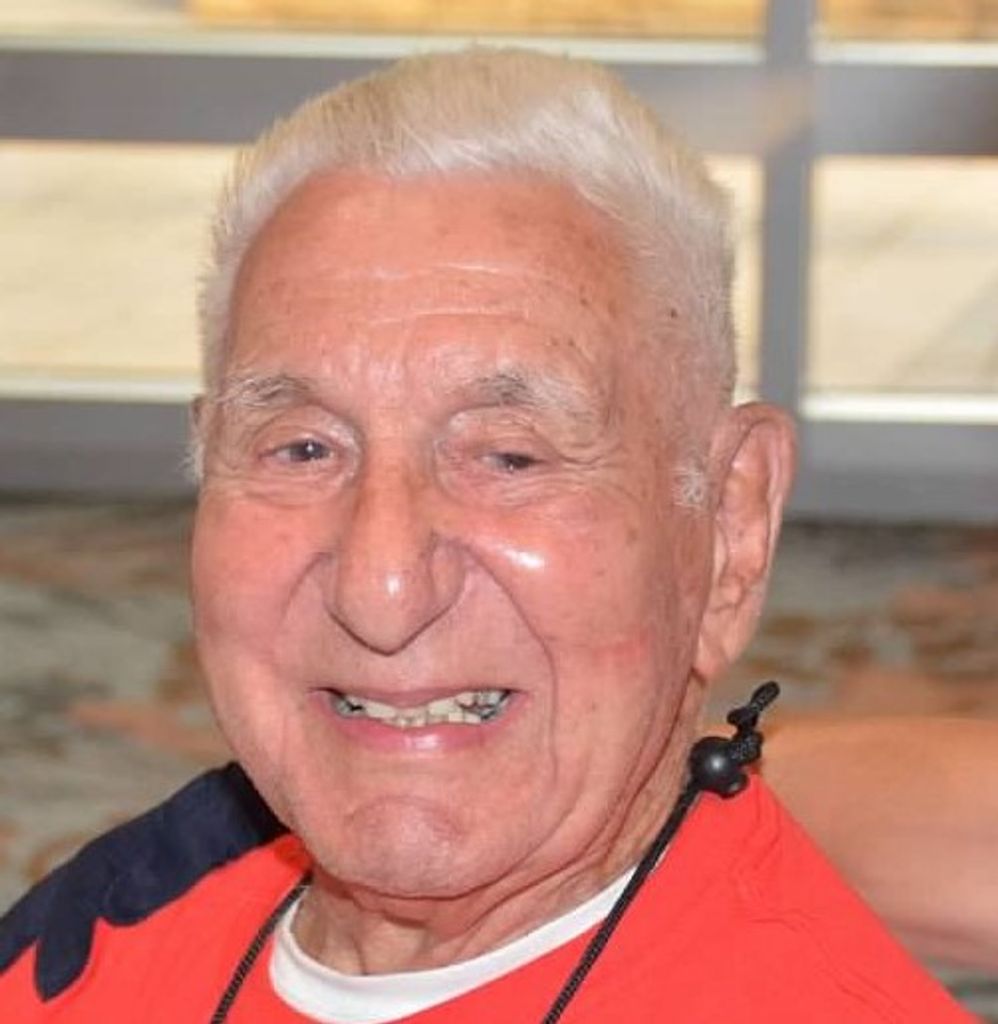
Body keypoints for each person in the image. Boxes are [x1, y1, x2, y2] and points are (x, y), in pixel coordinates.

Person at [0, 48, 975, 1021]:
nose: (381, 589)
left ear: (730, 526)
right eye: (302, 448)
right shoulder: (104, 923)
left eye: (509, 458)